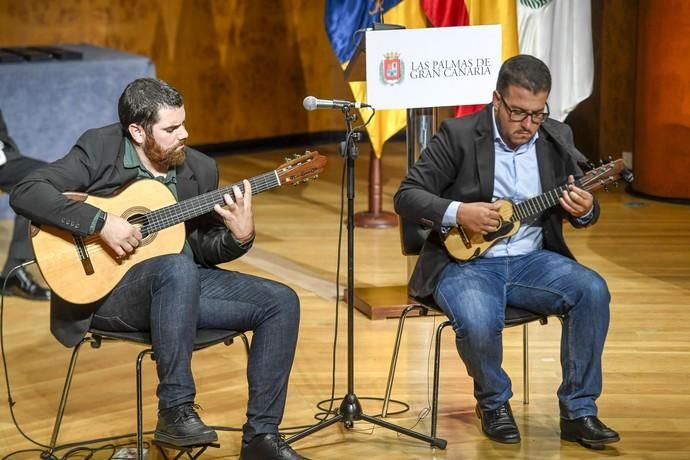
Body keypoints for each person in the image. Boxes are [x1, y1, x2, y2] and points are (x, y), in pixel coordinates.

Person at [11, 78, 307, 460]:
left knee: (281, 301)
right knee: (175, 270)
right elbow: (26, 191)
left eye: (183, 123)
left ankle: (262, 439)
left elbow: (200, 248)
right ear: (137, 130)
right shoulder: (100, 147)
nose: (184, 134)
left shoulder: (199, 168)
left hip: (179, 285)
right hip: (108, 294)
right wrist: (102, 222)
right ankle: (175, 410)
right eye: (171, 129)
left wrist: (239, 237)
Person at [394, 55, 619, 450]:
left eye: (537, 114)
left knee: (592, 290)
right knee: (479, 320)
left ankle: (579, 411)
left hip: (532, 259)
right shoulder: (459, 134)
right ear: (496, 99)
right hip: (465, 263)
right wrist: (459, 211)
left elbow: (583, 200)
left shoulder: (555, 137)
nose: (527, 125)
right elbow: (406, 195)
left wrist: (586, 210)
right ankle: (494, 402)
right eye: (517, 112)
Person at [0, 109, 51, 301]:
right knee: (34, 183)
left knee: (42, 178)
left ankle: (14, 271)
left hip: (5, 156)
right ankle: (14, 272)